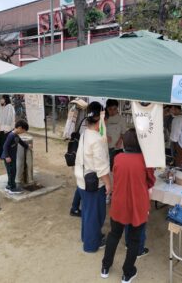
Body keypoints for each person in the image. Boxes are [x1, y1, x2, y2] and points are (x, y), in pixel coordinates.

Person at [101, 128, 155, 282]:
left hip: (119, 202)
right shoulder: (146, 160)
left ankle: (105, 266)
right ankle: (127, 272)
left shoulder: (118, 158)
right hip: (138, 204)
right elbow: (150, 181)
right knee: (134, 240)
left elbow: (117, 175)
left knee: (114, 234)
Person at [74, 101, 111, 253]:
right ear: (102, 118)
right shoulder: (96, 139)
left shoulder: (86, 133)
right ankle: (91, 244)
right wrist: (109, 184)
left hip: (82, 180)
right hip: (93, 183)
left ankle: (88, 237)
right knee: (95, 215)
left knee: (89, 213)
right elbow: (101, 168)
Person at [1, 119, 30, 194]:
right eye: (23, 131)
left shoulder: (16, 135)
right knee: (12, 172)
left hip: (12, 157)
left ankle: (9, 186)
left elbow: (20, 142)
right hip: (8, 158)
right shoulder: (11, 135)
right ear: (20, 128)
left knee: (12, 171)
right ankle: (12, 188)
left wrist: (27, 146)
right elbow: (5, 146)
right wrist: (7, 156)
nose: (23, 133)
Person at [105, 99, 127, 170]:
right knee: (107, 168)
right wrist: (105, 136)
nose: (112, 111)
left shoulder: (121, 119)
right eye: (110, 109)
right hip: (106, 148)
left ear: (117, 108)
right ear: (107, 108)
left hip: (118, 148)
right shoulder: (104, 119)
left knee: (117, 168)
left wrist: (120, 141)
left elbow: (123, 132)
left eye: (114, 109)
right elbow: (100, 131)